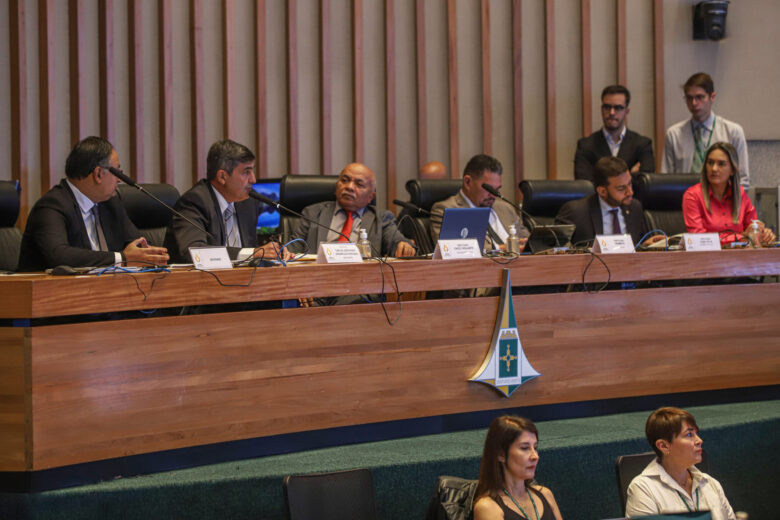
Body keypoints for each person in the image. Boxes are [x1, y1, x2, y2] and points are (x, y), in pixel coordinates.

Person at [18, 136, 169, 271]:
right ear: (98, 174)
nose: (119, 179)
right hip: (47, 296)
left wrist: (149, 254)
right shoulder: (52, 206)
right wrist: (121, 258)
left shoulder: (110, 204)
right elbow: (58, 255)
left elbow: (138, 244)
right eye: (117, 172)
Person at [163, 139, 290, 263]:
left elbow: (254, 250)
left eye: (252, 171)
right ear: (222, 177)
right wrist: (252, 253)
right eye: (246, 172)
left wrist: (276, 253)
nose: (253, 180)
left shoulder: (249, 201)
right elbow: (196, 253)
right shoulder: (193, 203)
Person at [626, 407, 736, 520]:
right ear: (663, 446)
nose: (699, 440)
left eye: (696, 433)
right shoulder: (643, 489)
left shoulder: (711, 484)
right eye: (689, 435)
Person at [290, 162, 415, 257]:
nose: (349, 187)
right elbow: (292, 248)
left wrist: (403, 245)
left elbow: (397, 241)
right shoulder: (313, 213)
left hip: (362, 285)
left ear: (371, 197)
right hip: (317, 283)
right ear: (336, 186)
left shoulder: (382, 218)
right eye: (344, 180)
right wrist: (277, 250)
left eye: (359, 184)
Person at [663, 72, 749, 188]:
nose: (694, 103)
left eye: (699, 97)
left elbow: (742, 179)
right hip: (684, 200)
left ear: (712, 97)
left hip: (722, 201)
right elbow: (664, 180)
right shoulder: (674, 134)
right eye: (689, 98)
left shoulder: (732, 132)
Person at [682, 142, 774, 246]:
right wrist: (742, 237)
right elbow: (698, 240)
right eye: (710, 163)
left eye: (721, 164)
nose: (714, 169)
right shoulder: (692, 196)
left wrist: (762, 234)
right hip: (706, 259)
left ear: (732, 170)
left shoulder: (740, 194)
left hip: (739, 258)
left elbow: (752, 228)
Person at [430, 154, 529, 250]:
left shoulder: (506, 208)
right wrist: (501, 249)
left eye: (496, 189)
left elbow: (529, 242)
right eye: (489, 189)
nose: (494, 195)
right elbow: (449, 250)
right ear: (467, 182)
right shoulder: (446, 210)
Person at [473, 415, 562, 520]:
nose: (535, 456)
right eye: (525, 448)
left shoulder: (545, 494)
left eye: (535, 447)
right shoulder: (488, 507)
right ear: (501, 454)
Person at [555, 156, 650, 247]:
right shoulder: (576, 212)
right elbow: (555, 248)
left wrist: (647, 245)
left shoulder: (634, 207)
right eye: (621, 188)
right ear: (602, 191)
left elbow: (637, 247)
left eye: (630, 184)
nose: (630, 192)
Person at [574, 85, 654, 182]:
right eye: (607, 107)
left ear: (627, 111)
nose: (612, 112)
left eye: (618, 108)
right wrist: (630, 174)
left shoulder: (642, 145)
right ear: (601, 109)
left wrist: (603, 180)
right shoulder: (585, 146)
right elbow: (585, 186)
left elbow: (645, 185)